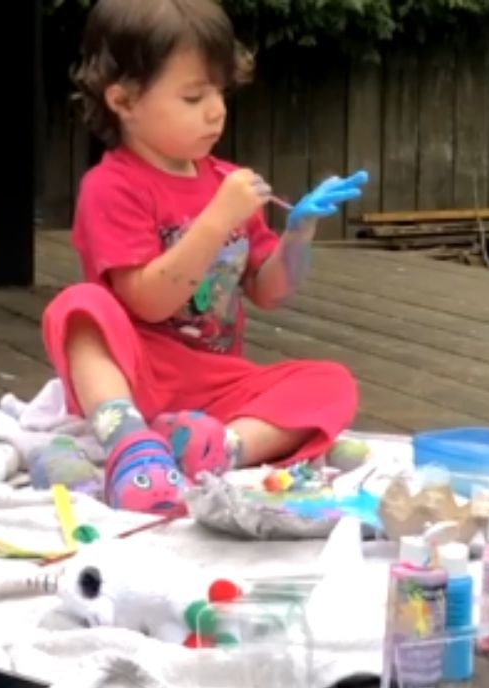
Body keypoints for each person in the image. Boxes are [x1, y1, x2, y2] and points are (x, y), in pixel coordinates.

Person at [32, 0, 367, 516]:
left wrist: (299, 233)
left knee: (330, 383)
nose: (216, 110)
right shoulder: (111, 187)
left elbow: (269, 290)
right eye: (193, 96)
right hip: (134, 376)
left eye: (220, 92)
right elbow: (147, 301)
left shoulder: (224, 181)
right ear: (123, 100)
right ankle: (128, 441)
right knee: (79, 309)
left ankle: (220, 448)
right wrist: (216, 220)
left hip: (214, 387)